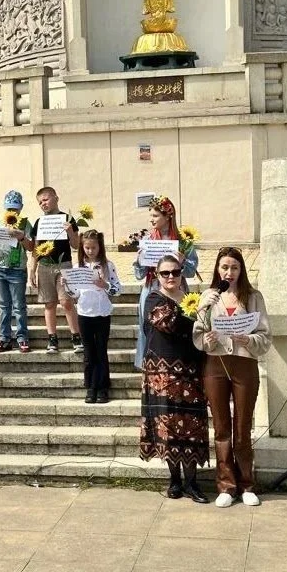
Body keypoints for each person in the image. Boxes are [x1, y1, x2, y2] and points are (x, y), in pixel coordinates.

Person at [193, 247, 272, 508]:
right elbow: (198, 333)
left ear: (241, 270)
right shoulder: (209, 296)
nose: (229, 272)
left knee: (242, 426)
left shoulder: (253, 296)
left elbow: (265, 336)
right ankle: (226, 485)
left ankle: (247, 483)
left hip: (244, 363)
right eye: (225, 267)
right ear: (218, 269)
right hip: (215, 364)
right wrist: (208, 339)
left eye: (234, 267)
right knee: (221, 425)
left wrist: (247, 339)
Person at [140, 254, 209, 503]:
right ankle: (175, 481)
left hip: (191, 372)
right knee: (167, 427)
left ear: (182, 273)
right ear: (157, 276)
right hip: (162, 374)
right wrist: (196, 319)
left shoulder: (195, 301)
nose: (171, 277)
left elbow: (206, 328)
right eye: (165, 273)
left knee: (192, 427)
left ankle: (192, 482)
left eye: (175, 272)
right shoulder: (153, 299)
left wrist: (204, 324)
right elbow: (167, 322)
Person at [133, 195, 198, 368]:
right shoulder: (147, 240)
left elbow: (191, 272)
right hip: (152, 288)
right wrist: (139, 261)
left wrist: (183, 262)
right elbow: (138, 275)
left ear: (167, 216)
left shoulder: (182, 241)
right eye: (150, 215)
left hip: (176, 288)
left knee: (179, 325)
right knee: (148, 328)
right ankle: (149, 364)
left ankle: (181, 362)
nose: (151, 220)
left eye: (155, 216)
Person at [64, 229, 121, 404]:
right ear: (82, 248)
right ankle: (90, 386)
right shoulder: (77, 268)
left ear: (99, 247)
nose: (90, 251)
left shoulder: (107, 265)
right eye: (87, 248)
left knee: (101, 350)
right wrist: (66, 285)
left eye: (93, 247)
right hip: (84, 313)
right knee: (89, 352)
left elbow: (117, 290)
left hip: (102, 313)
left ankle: (103, 386)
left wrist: (105, 284)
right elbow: (74, 294)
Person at [29, 186, 82, 353]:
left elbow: (75, 245)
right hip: (45, 266)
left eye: (45, 199)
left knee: (66, 301)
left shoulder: (68, 218)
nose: (43, 204)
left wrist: (70, 231)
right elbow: (36, 247)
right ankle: (52, 338)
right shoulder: (39, 222)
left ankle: (76, 336)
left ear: (56, 198)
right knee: (49, 303)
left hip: (64, 264)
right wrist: (32, 268)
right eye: (40, 202)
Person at [0, 190, 34, 353]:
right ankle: (4, 338)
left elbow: (32, 247)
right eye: (9, 208)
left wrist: (21, 237)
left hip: (17, 270)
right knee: (3, 305)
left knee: (19, 306)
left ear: (21, 208)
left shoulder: (26, 224)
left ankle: (22, 338)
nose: (12, 212)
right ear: (5, 207)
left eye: (15, 208)